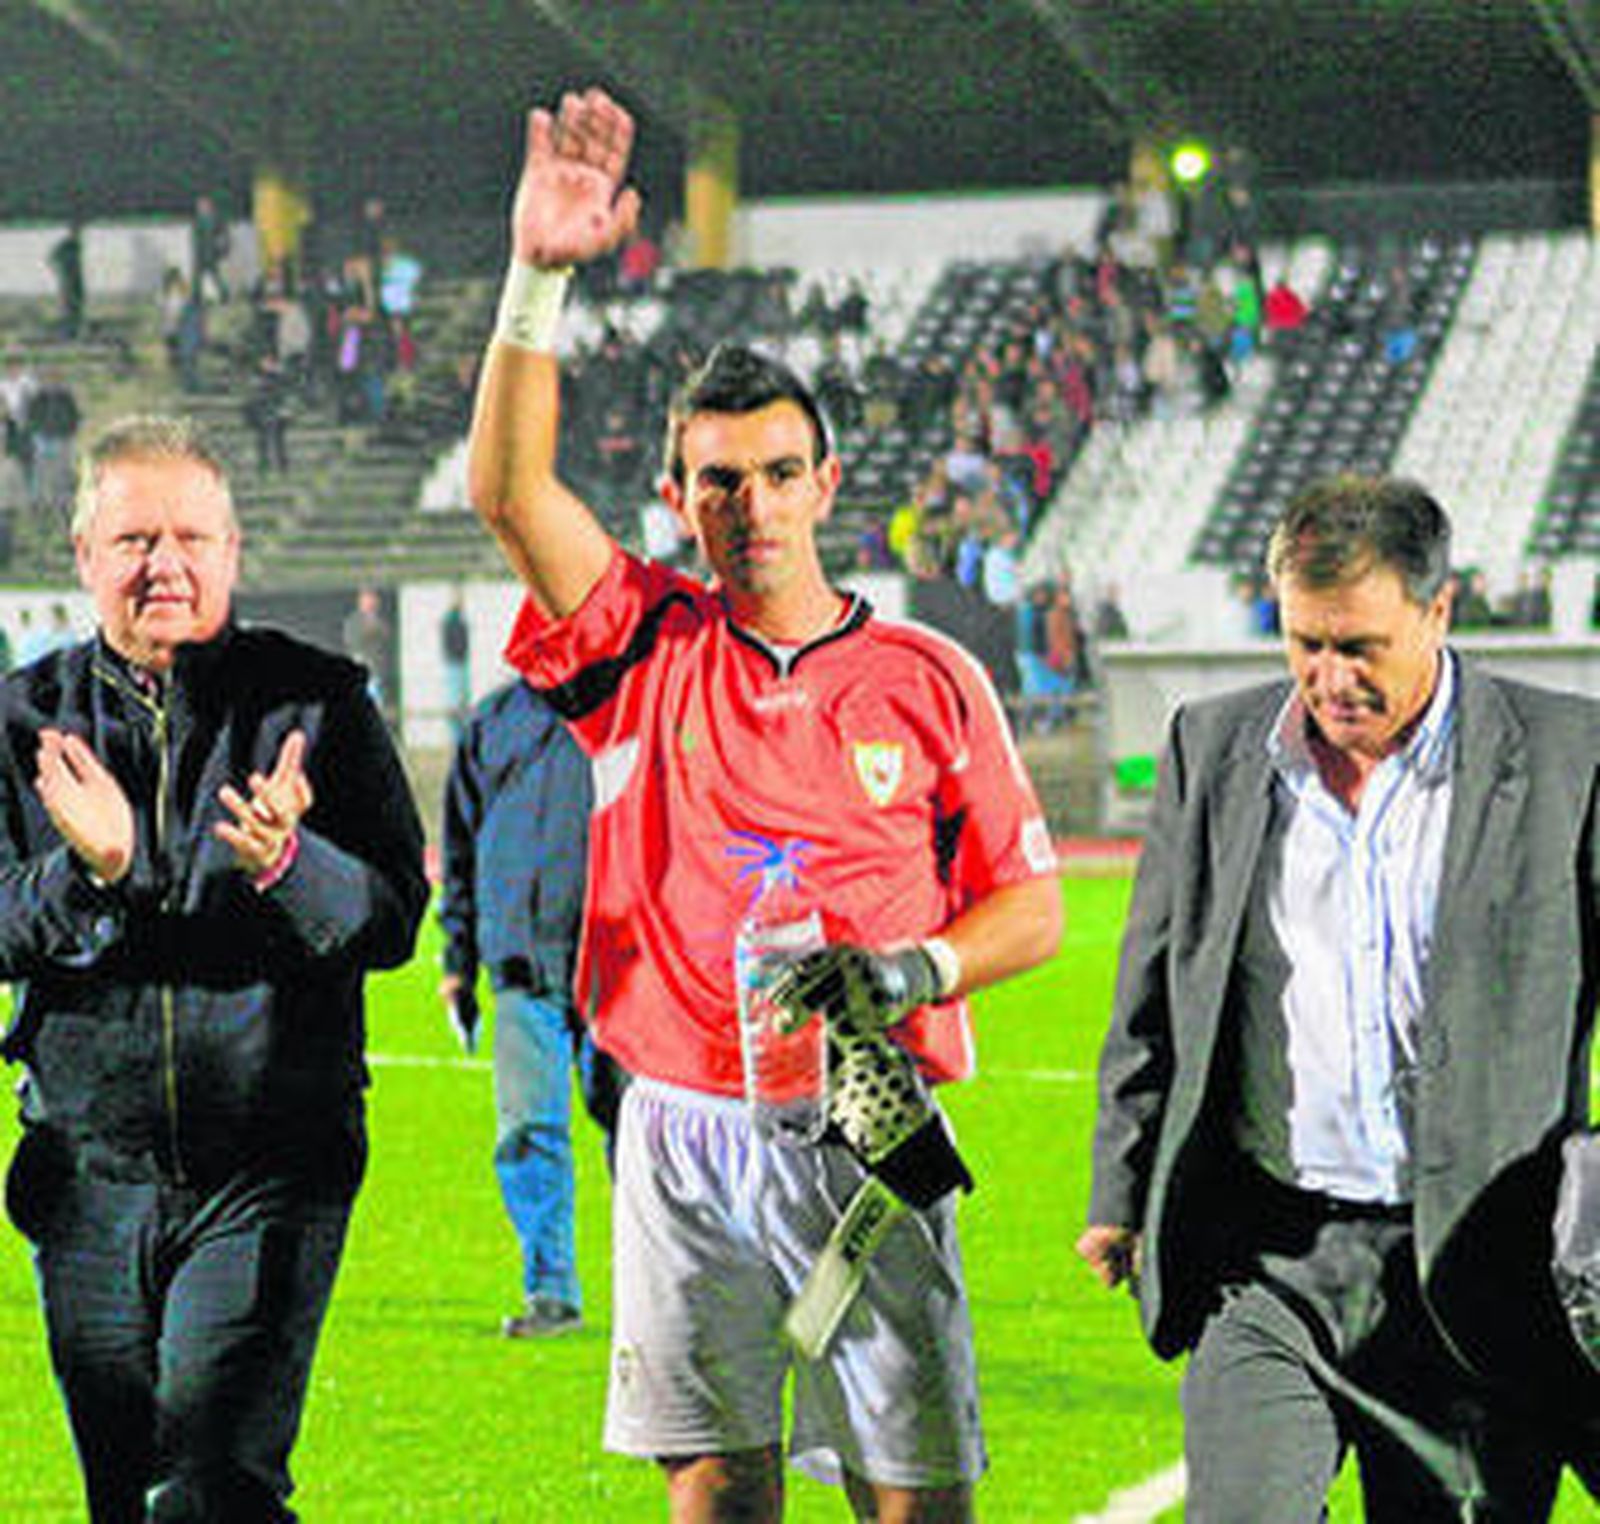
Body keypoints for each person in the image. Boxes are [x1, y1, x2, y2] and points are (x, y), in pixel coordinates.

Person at [466, 85, 1063, 1523]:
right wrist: (538, 275)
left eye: (780, 476)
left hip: (870, 1116)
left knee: (913, 1494)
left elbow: (1032, 907)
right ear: (680, 496)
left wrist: (912, 967)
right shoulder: (637, 641)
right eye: (721, 482)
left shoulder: (929, 673)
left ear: (827, 482)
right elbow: (505, 490)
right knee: (719, 1488)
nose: (753, 507)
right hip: (682, 1123)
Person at [1078, 474, 1600, 1521]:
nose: (1328, 676)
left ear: (1438, 611)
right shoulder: (1212, 750)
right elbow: (1155, 989)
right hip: (1267, 1262)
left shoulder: (1566, 757)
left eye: (1359, 645)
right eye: (1304, 641)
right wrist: (1118, 1188)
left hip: (1469, 1269)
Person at [0, 414, 429, 1521]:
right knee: (122, 1494)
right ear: (83, 556)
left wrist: (292, 863)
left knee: (212, 1484)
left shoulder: (319, 705)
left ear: (234, 553)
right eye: (135, 539)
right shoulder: (21, 723)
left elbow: (391, 922)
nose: (165, 564)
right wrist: (89, 874)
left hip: (271, 1167)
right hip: (88, 1174)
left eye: (192, 536)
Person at [437, 678, 608, 1338]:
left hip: (619, 963)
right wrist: (457, 963)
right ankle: (551, 1294)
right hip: (519, 963)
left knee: (644, 1137)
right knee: (529, 1132)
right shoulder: (493, 720)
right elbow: (458, 849)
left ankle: (666, 1299)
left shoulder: (627, 703)